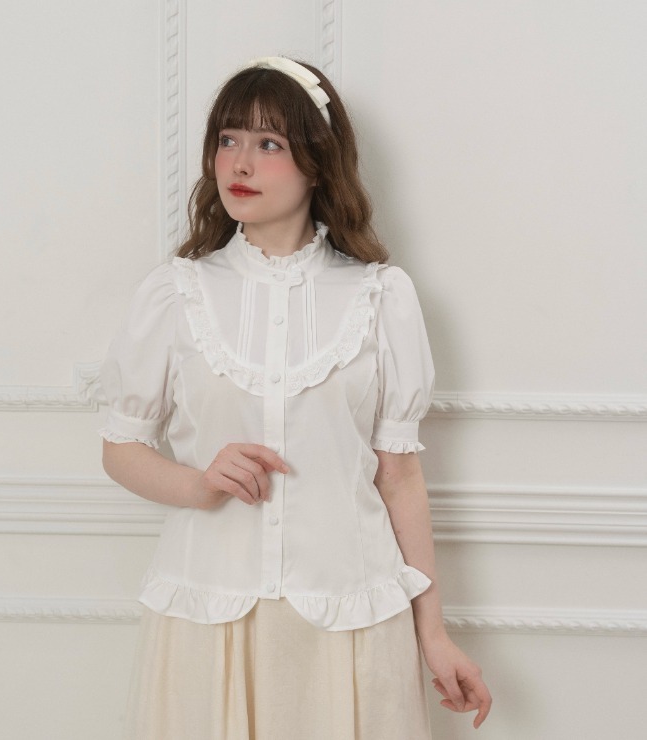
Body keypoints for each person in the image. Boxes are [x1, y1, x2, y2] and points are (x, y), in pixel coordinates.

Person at [100, 56, 492, 740]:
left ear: (317, 162)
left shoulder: (380, 297)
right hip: (207, 615)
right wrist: (199, 483)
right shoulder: (176, 293)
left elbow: (400, 477)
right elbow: (121, 449)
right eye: (227, 139)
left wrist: (433, 634)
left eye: (269, 143)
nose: (239, 163)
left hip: (352, 619)